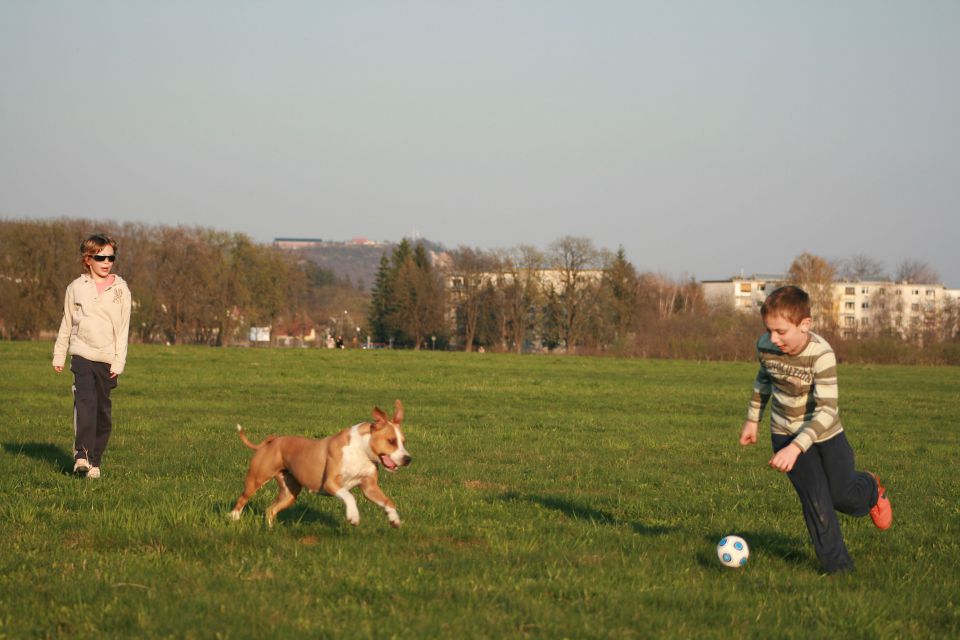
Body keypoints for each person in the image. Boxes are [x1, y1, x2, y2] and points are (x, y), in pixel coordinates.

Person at [739, 285, 892, 574]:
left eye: (781, 331)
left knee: (841, 496)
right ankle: (839, 569)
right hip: (785, 433)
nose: (773, 338)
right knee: (817, 500)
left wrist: (798, 447)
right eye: (769, 330)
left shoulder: (821, 354)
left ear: (804, 325)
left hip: (826, 434)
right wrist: (752, 419)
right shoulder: (766, 345)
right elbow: (764, 379)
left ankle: (871, 489)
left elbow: (827, 410)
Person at [52, 233, 132, 479]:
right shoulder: (75, 288)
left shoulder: (121, 290)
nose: (106, 262)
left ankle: (95, 461)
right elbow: (67, 322)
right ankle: (82, 457)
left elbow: (123, 328)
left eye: (111, 257)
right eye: (101, 258)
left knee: (102, 413)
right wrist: (59, 354)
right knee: (85, 403)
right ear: (88, 259)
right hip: (82, 355)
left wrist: (119, 360)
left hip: (107, 358)